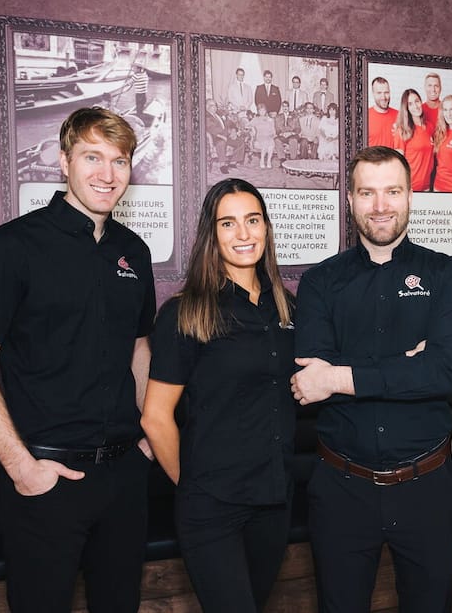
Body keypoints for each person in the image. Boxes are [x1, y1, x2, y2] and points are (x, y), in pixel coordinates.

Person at [0, 107, 157, 613]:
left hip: (124, 477)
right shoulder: (9, 248)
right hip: (46, 478)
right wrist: (23, 469)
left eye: (120, 161)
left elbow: (139, 348)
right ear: (62, 161)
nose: (107, 175)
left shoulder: (134, 250)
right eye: (92, 157)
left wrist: (148, 435)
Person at [291, 146, 452, 613]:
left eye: (392, 191)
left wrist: (340, 376)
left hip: (426, 489)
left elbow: (442, 373)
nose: (380, 205)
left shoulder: (449, 276)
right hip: (341, 488)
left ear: (410, 196)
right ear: (349, 199)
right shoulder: (319, 283)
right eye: (367, 192)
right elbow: (311, 380)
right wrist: (405, 364)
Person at [141, 178, 296, 613]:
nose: (243, 234)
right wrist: (193, 490)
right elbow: (155, 417)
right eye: (228, 223)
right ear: (213, 234)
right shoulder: (185, 312)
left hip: (274, 501)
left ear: (266, 227)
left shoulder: (287, 308)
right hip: (213, 508)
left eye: (252, 220)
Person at [392, 88, 434, 192]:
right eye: (410, 104)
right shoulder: (402, 131)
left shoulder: (430, 127)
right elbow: (398, 165)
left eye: (417, 101)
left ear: (421, 102)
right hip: (409, 187)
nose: (415, 106)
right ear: (406, 108)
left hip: (427, 185)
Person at [367, 76, 398, 148]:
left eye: (386, 92)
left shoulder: (399, 116)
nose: (383, 97)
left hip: (393, 159)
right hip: (372, 159)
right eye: (379, 93)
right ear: (373, 94)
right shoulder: (365, 117)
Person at [250, 103, 276, 169]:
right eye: (260, 110)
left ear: (266, 111)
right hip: (259, 137)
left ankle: (268, 161)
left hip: (268, 136)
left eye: (263, 110)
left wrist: (272, 135)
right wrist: (252, 129)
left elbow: (273, 131)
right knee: (266, 141)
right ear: (258, 111)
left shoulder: (270, 119)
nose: (262, 112)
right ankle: (262, 160)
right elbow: (247, 125)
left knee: (271, 143)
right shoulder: (256, 119)